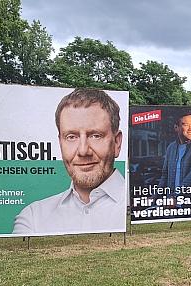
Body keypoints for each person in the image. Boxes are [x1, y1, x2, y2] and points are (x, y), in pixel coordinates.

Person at [13, 88, 125, 234]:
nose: (83, 151)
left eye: (95, 135)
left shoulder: (144, 207)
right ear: (60, 143)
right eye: (71, 137)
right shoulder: (33, 218)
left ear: (117, 143)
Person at [159, 111, 191, 192]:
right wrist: (154, 197)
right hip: (173, 202)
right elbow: (165, 175)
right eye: (186, 125)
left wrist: (176, 196)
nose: (190, 129)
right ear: (176, 127)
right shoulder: (171, 148)